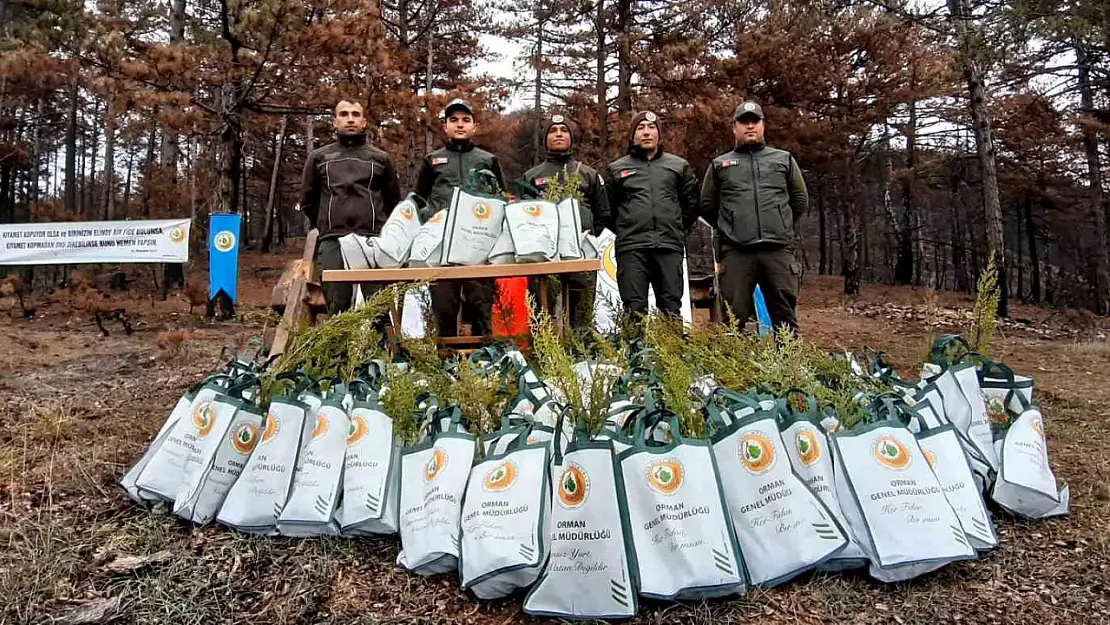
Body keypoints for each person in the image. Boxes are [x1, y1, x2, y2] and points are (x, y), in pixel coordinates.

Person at [699, 100, 808, 333]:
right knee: (732, 319)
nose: (750, 127)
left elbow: (800, 201)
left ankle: (788, 368)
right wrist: (731, 227)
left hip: (777, 252)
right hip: (737, 253)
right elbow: (707, 205)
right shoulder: (721, 165)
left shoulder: (783, 159)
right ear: (734, 128)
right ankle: (734, 368)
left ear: (763, 126)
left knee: (785, 318)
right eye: (744, 122)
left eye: (755, 121)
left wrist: (780, 224)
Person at [300, 99, 402, 314]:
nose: (350, 119)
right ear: (335, 122)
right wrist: (327, 223)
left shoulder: (381, 159)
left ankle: (380, 346)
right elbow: (308, 201)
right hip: (332, 239)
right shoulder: (319, 158)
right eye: (344, 114)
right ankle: (339, 348)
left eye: (355, 115)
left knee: (377, 307)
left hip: (373, 239)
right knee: (338, 305)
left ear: (364, 122)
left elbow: (393, 200)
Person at [414, 99, 505, 337]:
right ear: (445, 127)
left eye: (466, 120)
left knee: (480, 305)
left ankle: (486, 359)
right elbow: (419, 201)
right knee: (444, 306)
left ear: (474, 127)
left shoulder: (488, 160)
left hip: (478, 245)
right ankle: (445, 361)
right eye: (453, 120)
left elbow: (501, 199)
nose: (460, 125)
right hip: (441, 246)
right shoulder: (432, 160)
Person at [603, 110, 699, 319]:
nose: (646, 132)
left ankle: (672, 352)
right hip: (632, 249)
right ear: (633, 135)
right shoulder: (616, 169)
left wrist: (674, 226)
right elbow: (607, 210)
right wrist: (626, 227)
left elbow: (692, 205)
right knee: (634, 310)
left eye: (652, 127)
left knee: (671, 309)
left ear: (659, 134)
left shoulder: (678, 166)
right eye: (640, 128)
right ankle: (635, 351)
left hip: (668, 247)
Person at [522, 113, 610, 326]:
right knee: (541, 313)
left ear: (571, 138)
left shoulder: (588, 174)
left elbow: (603, 213)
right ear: (545, 139)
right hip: (544, 256)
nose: (558, 134)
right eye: (553, 131)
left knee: (580, 313)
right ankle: (542, 354)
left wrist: (586, 237)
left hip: (581, 253)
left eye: (564, 131)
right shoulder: (532, 176)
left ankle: (580, 353)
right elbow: (522, 216)